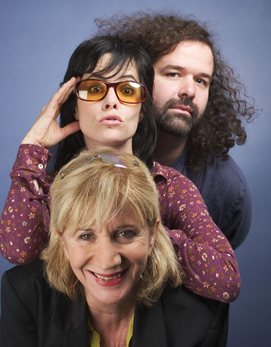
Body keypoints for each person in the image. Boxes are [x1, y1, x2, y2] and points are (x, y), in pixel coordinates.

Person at [0, 35, 240, 302]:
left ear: (143, 107)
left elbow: (226, 279)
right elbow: (17, 250)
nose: (111, 101)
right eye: (94, 89)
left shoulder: (169, 186)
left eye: (127, 91)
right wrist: (32, 149)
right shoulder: (52, 186)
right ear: (74, 106)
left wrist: (146, 233)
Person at [0, 148, 229, 347]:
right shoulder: (26, 297)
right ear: (62, 240)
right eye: (86, 235)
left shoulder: (200, 318)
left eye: (125, 233)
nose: (108, 260)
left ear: (153, 234)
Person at [96, 11, 257, 249]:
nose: (189, 91)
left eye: (201, 80)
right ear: (138, 77)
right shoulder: (78, 151)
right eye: (173, 74)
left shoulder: (227, 186)